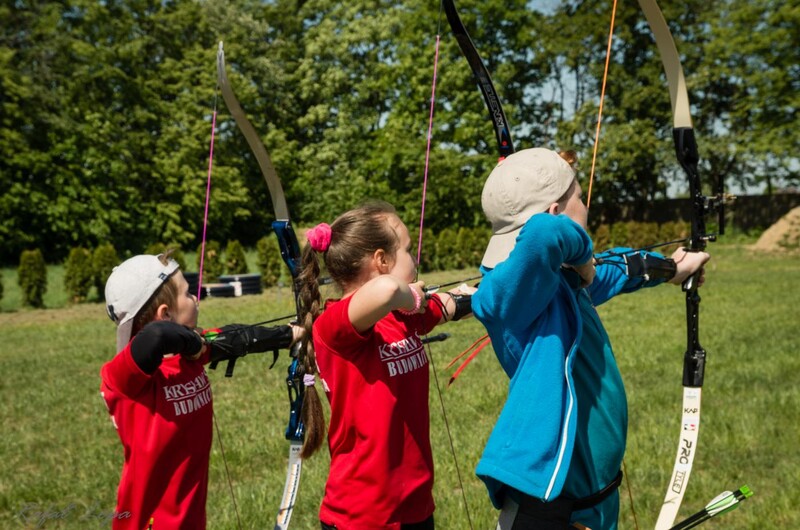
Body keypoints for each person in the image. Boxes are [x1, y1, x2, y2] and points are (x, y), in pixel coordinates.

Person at [470, 148, 710, 530]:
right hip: (548, 508)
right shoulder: (506, 297)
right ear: (554, 210)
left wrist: (673, 268)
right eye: (579, 198)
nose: (586, 205)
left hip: (594, 499)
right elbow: (545, 234)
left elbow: (617, 269)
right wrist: (584, 260)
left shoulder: (560, 281)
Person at [293, 202, 476, 530]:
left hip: (414, 505)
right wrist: (415, 298)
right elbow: (387, 289)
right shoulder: (334, 326)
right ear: (382, 260)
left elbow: (444, 306)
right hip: (364, 514)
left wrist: (472, 294)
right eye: (407, 251)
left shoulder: (400, 316)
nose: (415, 260)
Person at [100, 252, 302, 529]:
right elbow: (156, 336)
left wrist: (292, 333)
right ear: (165, 313)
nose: (196, 299)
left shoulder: (186, 355)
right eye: (187, 293)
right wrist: (195, 346)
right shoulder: (125, 379)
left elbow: (239, 338)